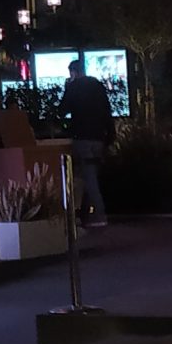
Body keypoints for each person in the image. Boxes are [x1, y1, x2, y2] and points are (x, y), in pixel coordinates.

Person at [61, 53, 114, 225]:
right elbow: (107, 110)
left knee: (87, 177)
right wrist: (110, 136)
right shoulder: (97, 85)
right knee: (90, 175)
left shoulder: (73, 86)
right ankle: (84, 214)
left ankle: (99, 214)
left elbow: (62, 109)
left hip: (82, 137)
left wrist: (66, 88)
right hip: (99, 137)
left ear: (72, 72)